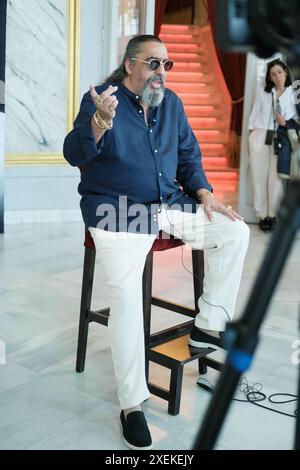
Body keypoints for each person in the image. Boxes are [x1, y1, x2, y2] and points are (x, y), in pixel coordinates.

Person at [63, 35, 249, 450]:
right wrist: (100, 122)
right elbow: (74, 154)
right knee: (127, 296)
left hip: (169, 204)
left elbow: (188, 158)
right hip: (117, 211)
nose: (161, 73)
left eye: (167, 65)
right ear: (130, 65)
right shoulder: (102, 101)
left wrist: (203, 193)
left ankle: (207, 327)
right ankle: (133, 404)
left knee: (235, 230)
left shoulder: (173, 105)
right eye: (153, 64)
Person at [248, 58, 298, 232]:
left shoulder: (294, 93)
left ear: (285, 71)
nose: (276, 76)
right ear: (269, 77)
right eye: (273, 74)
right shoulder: (264, 91)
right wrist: (251, 133)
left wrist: (285, 122)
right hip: (260, 135)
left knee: (275, 179)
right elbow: (254, 112)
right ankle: (262, 216)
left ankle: (274, 215)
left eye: (279, 72)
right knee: (258, 178)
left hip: (281, 139)